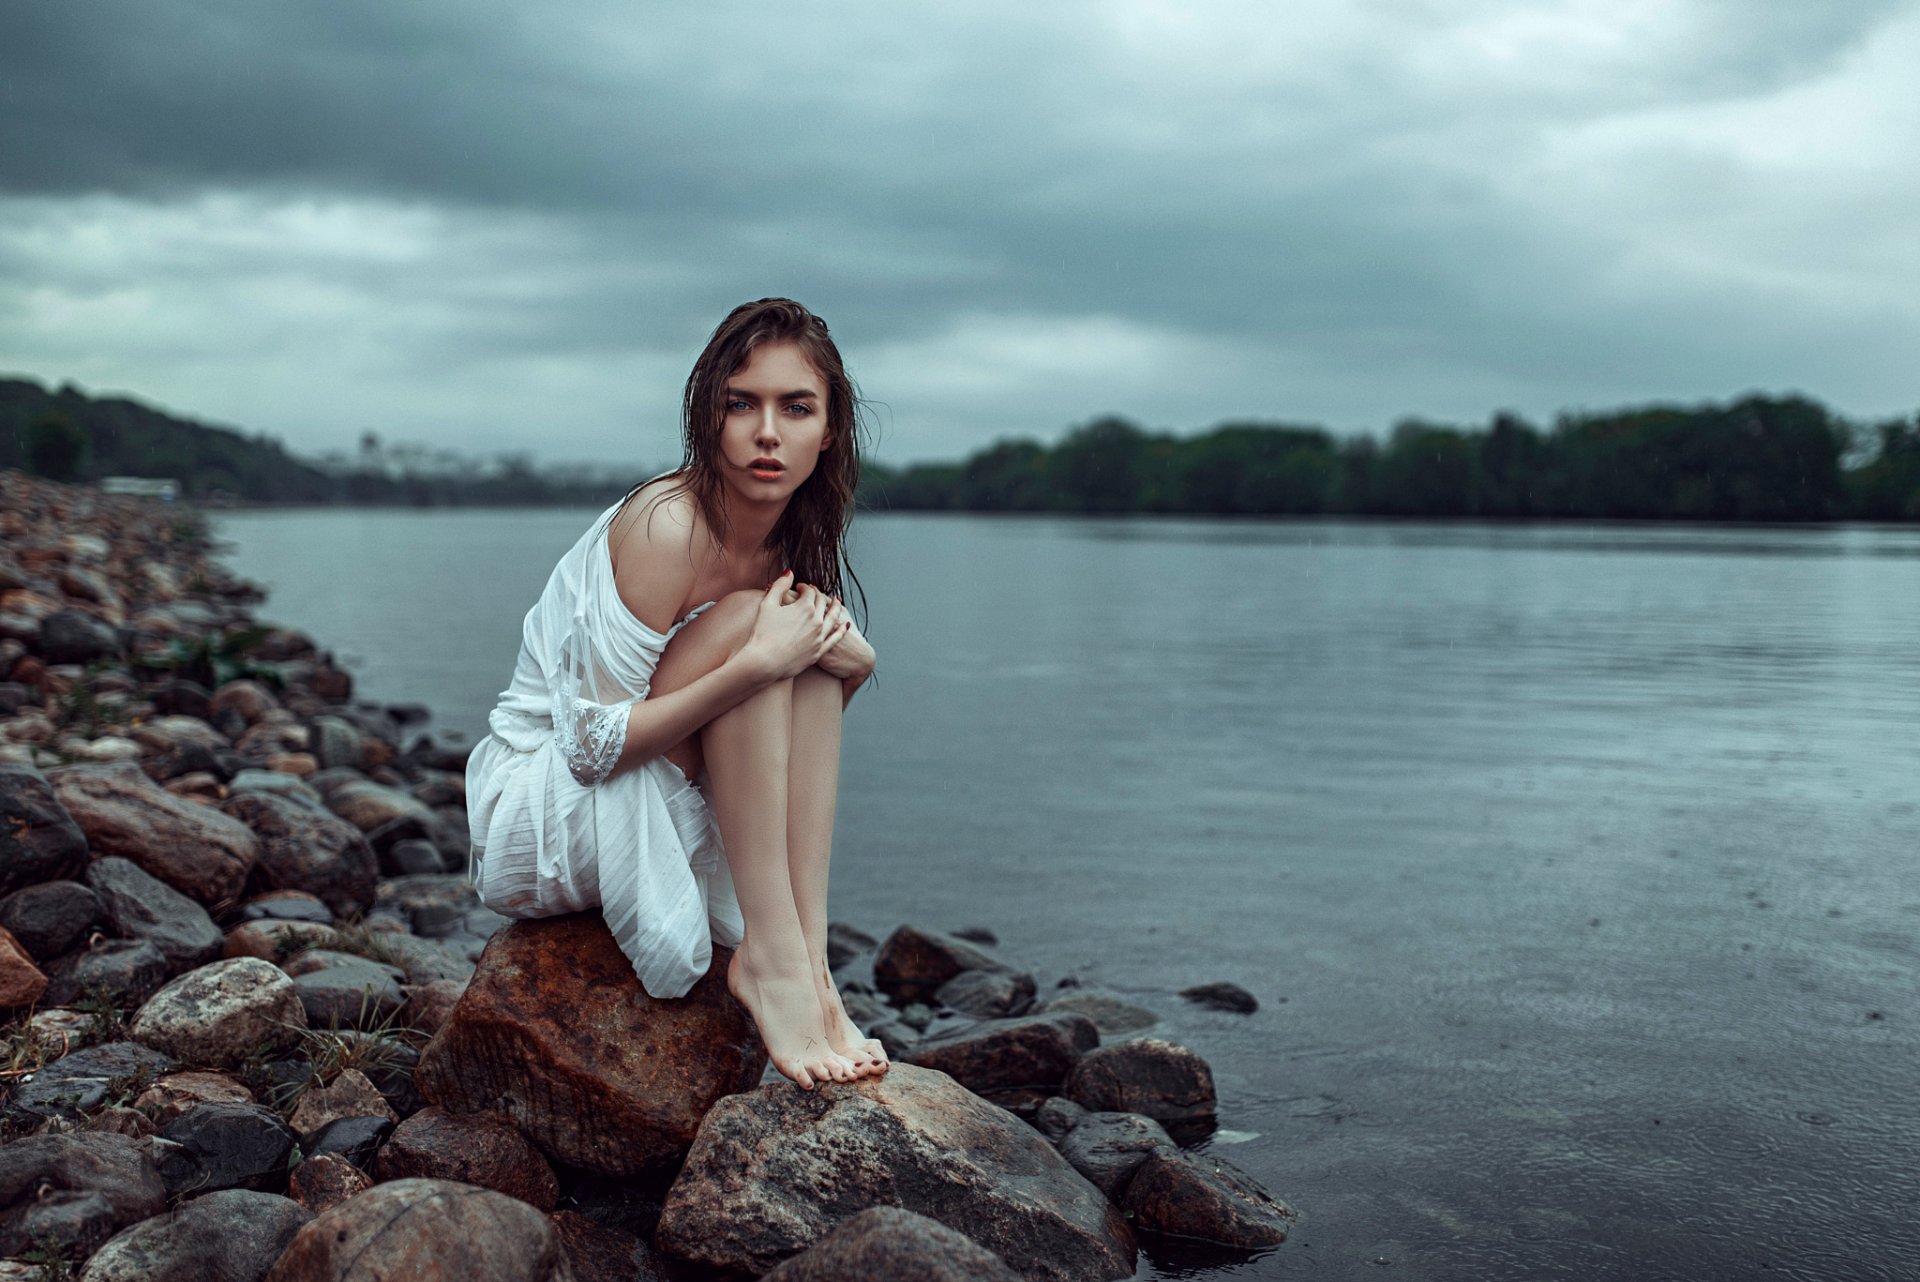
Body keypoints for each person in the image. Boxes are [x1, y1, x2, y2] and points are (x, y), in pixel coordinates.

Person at [465, 298, 885, 1091]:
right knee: (757, 631)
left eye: (796, 407)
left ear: (828, 430)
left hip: (661, 797)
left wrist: (847, 668)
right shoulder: (667, 524)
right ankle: (771, 957)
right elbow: (589, 750)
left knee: (802, 646)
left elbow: (782, 743)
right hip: (542, 807)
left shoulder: (798, 538)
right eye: (741, 404)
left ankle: (806, 964)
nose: (768, 432)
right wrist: (752, 666)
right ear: (709, 416)